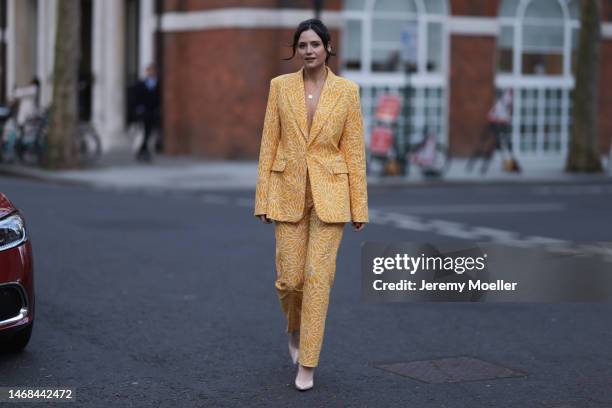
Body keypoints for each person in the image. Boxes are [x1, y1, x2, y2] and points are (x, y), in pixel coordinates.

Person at [254, 19, 368, 391]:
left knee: (318, 280)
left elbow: (354, 151)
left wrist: (359, 206)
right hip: (286, 191)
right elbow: (269, 143)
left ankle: (308, 360)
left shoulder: (348, 92)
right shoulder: (279, 87)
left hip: (330, 196)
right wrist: (262, 198)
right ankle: (295, 326)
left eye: (315, 44)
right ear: (296, 50)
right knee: (290, 279)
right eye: (302, 44)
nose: (308, 50)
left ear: (328, 47)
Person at [131, 64, 160, 162]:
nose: (151, 72)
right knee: (145, 132)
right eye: (149, 70)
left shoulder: (158, 84)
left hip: (154, 112)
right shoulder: (141, 84)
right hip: (144, 113)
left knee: (149, 133)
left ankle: (142, 150)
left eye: (153, 71)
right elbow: (135, 98)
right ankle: (144, 151)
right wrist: (138, 109)